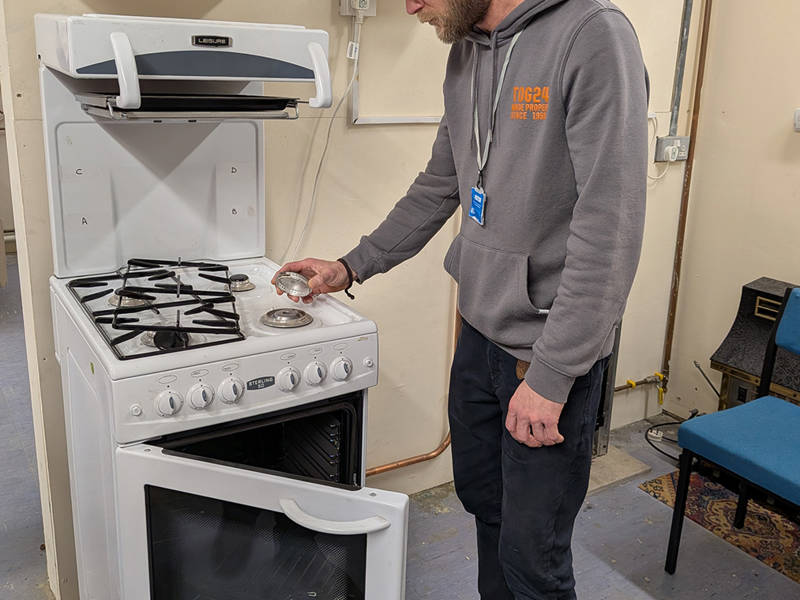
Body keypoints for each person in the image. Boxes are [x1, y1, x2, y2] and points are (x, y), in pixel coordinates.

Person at [272, 0, 648, 597]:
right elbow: (441, 184)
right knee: (486, 510)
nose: (409, 6)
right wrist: (351, 266)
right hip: (478, 338)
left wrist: (551, 377)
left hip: (546, 353)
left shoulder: (591, 35)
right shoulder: (466, 49)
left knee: (534, 557)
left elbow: (612, 226)